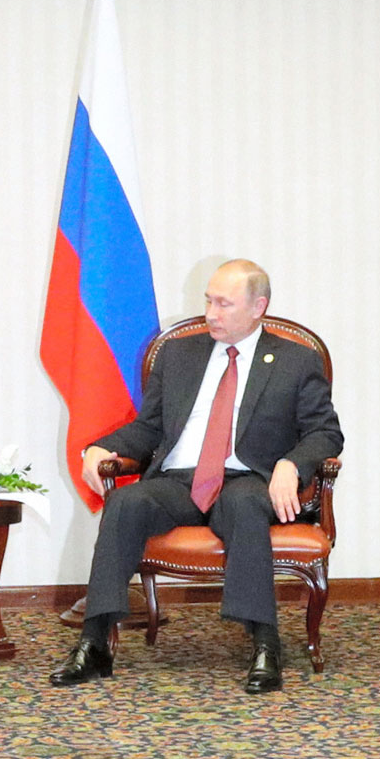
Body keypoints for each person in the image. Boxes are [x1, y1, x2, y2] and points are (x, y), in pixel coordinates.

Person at [57, 259, 342, 694]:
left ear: (258, 307)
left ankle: (266, 641)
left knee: (244, 503)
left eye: (224, 304)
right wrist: (96, 447)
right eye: (209, 301)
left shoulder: (295, 361)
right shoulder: (178, 354)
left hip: (248, 478)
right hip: (180, 480)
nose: (211, 313)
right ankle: (94, 642)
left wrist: (291, 464)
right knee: (126, 502)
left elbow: (325, 433)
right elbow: (149, 426)